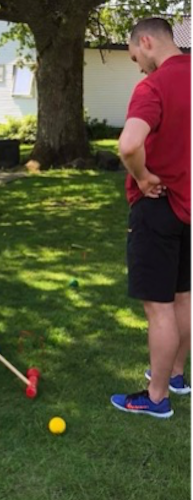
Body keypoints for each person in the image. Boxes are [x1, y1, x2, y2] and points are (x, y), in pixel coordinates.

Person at [111, 18, 192, 419]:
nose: (139, 67)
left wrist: (142, 177)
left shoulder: (154, 86)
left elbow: (128, 145)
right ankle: (177, 375)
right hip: (191, 207)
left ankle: (156, 397)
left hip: (160, 206)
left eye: (135, 57)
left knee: (159, 308)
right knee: (184, 296)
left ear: (146, 42)